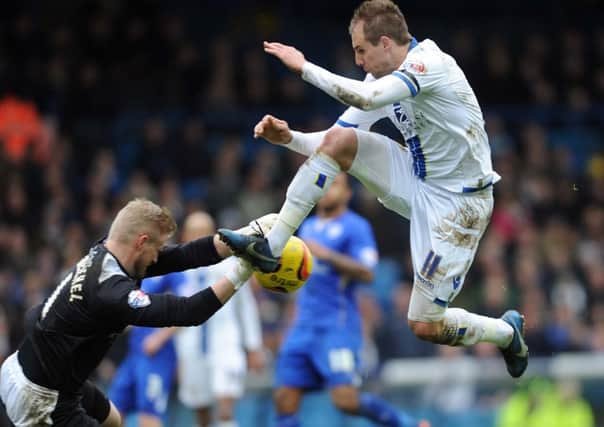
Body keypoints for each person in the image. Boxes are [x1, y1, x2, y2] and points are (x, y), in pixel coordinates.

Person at [219, 0, 528, 378]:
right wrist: (289, 138)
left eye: (361, 51)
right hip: (418, 178)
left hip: (460, 204)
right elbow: (335, 136)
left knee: (424, 324)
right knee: (341, 142)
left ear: (385, 43)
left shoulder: (430, 65)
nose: (359, 61)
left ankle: (504, 332)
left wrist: (304, 68)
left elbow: (365, 99)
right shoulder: (380, 79)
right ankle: (273, 246)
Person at [0, 198, 267, 427]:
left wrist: (248, 233)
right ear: (141, 242)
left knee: (115, 421)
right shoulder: (111, 292)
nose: (156, 258)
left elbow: (185, 255)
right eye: (156, 249)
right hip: (43, 398)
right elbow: (189, 312)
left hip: (45, 370)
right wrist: (244, 270)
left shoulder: (107, 252)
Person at [273, 173, 429, 427]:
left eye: (335, 185)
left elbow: (368, 272)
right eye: (323, 186)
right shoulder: (308, 227)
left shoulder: (355, 227)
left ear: (347, 193)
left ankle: (408, 424)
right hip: (302, 327)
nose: (327, 191)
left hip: (336, 327)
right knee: (284, 397)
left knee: (345, 400)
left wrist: (327, 255)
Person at [173, 211, 265, 427]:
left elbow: (246, 308)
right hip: (191, 347)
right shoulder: (177, 272)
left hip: (226, 343)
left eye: (203, 232)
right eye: (193, 232)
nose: (197, 237)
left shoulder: (232, 266)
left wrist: (253, 346)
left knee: (225, 408)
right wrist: (174, 356)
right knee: (201, 412)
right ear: (184, 236)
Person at [108, 273, 183, 427]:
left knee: (149, 413)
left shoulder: (177, 273)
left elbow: (188, 309)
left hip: (158, 356)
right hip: (135, 352)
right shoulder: (144, 272)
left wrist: (159, 338)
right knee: (114, 410)